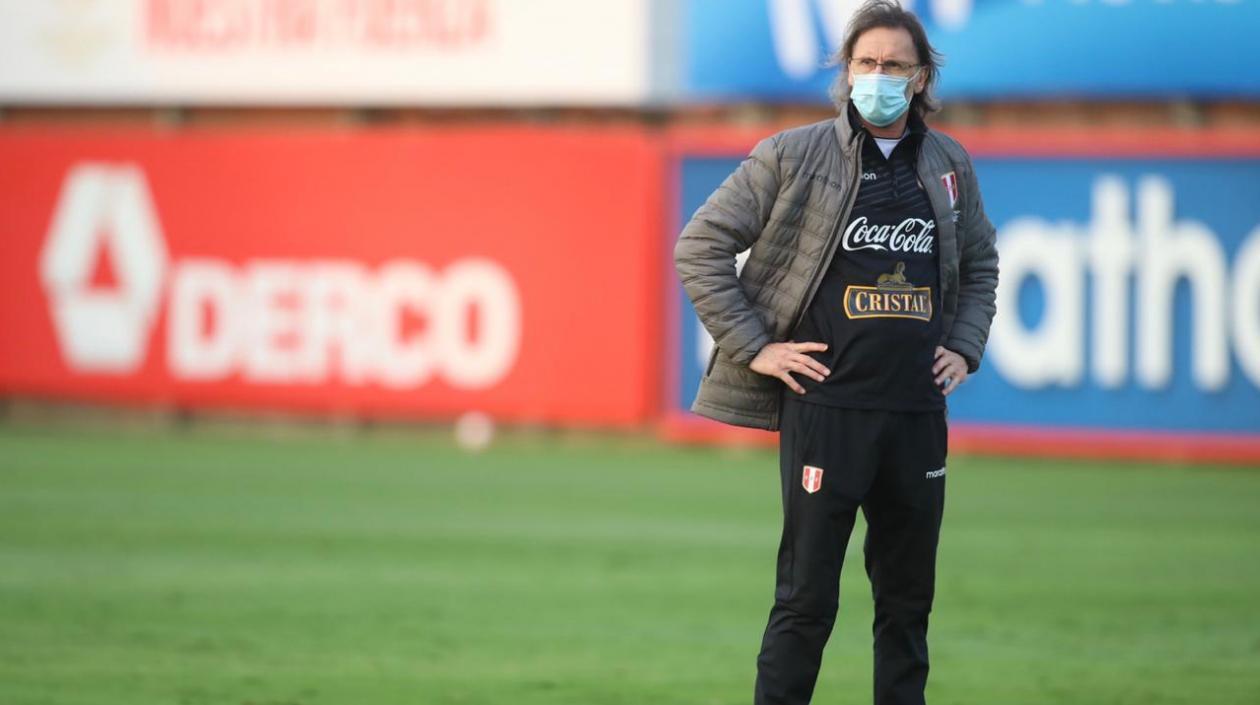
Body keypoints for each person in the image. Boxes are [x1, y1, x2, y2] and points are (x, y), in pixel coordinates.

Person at [673, 2, 999, 704]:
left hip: (916, 413)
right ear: (847, 70)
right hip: (827, 410)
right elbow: (699, 245)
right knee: (806, 600)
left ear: (921, 78)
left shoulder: (948, 164)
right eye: (867, 62)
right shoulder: (792, 154)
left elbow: (980, 264)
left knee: (908, 606)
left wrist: (964, 347)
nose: (879, 76)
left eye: (895, 65)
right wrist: (756, 348)